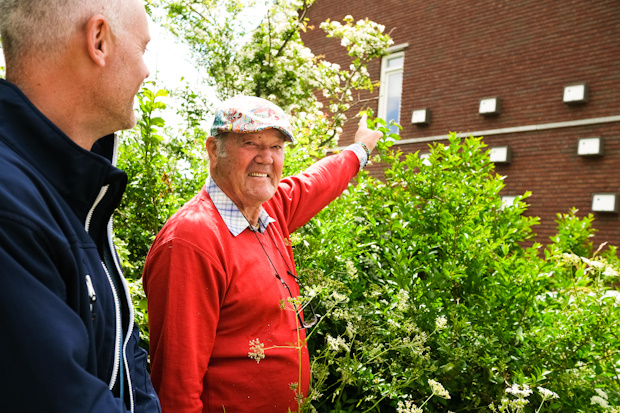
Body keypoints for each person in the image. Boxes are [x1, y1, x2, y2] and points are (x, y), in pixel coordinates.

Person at [143, 95, 383, 412]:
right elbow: (177, 387)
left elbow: (318, 182)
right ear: (214, 151)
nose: (266, 158)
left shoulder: (268, 213)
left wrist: (360, 150)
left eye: (276, 147)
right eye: (252, 144)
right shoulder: (192, 240)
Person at [0, 0, 161, 412]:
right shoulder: (11, 205)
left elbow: (127, 352)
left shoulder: (75, 192)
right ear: (99, 40)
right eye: (143, 49)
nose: (146, 71)